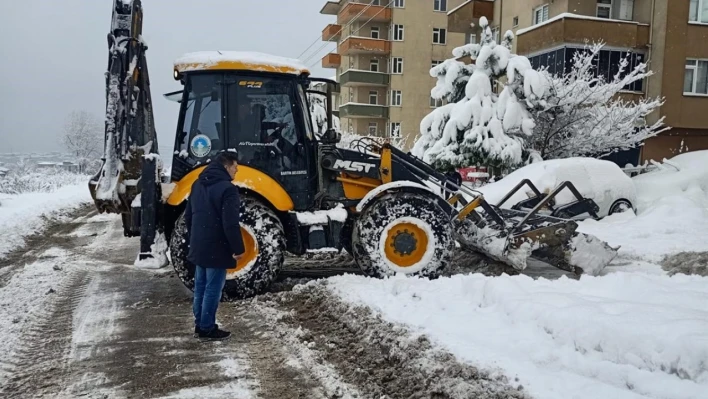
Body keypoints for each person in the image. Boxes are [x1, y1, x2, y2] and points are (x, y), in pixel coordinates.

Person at [184, 150, 245, 341]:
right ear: (226, 166)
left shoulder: (197, 184)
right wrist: (238, 248)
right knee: (212, 288)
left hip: (199, 244)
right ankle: (207, 327)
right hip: (217, 246)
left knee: (201, 286)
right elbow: (230, 224)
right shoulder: (228, 189)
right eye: (235, 167)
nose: (236, 171)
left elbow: (188, 217)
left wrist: (197, 237)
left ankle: (200, 323)